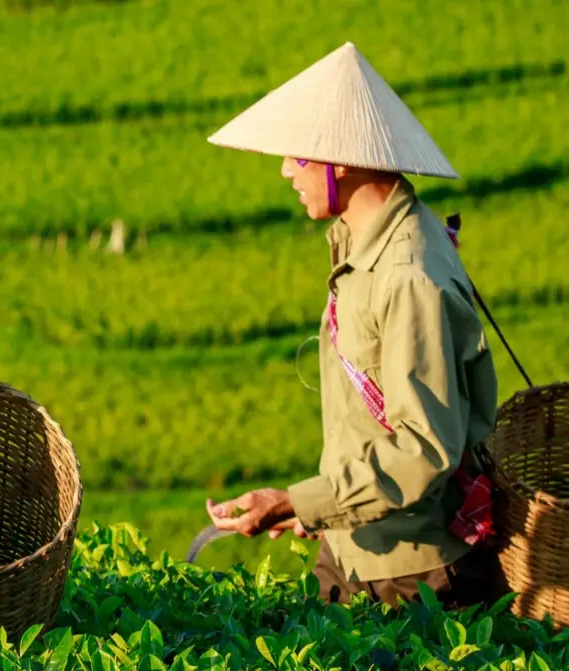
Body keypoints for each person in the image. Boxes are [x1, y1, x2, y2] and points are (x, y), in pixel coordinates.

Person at [201, 43, 503, 610]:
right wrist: (319, 509)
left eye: (298, 156)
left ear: (339, 158)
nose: (287, 170)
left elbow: (421, 451)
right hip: (353, 545)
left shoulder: (408, 276)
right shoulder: (365, 246)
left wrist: (299, 501)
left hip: (410, 577)